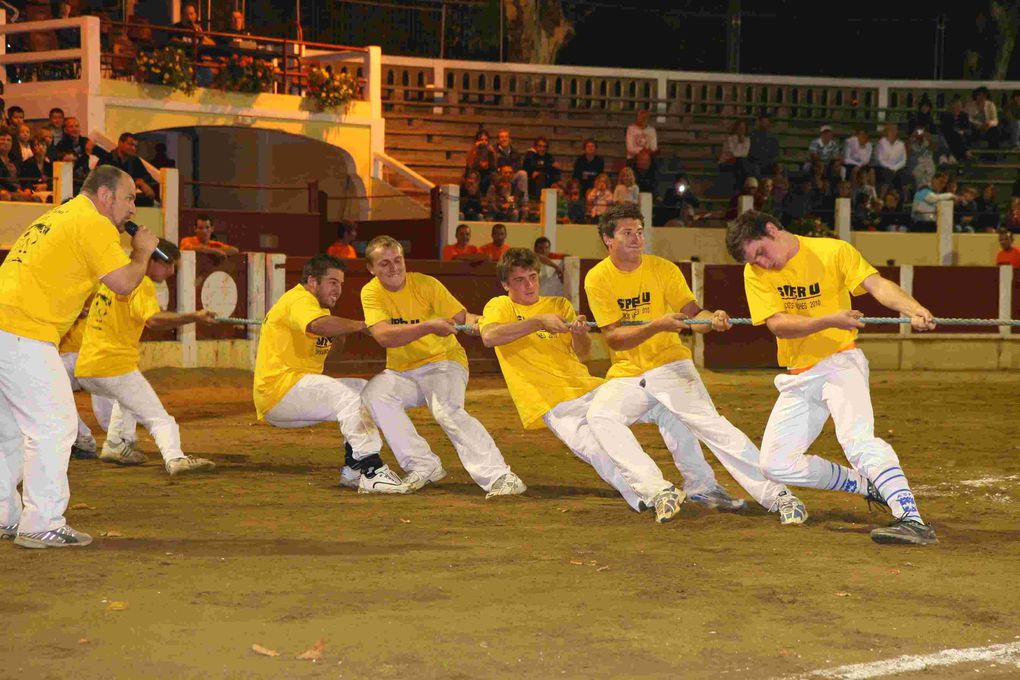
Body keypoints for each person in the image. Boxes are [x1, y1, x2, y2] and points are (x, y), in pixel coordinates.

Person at [481, 248, 749, 522]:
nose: (529, 285)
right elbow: (490, 337)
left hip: (591, 388)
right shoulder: (499, 307)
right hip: (553, 404)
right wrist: (537, 322)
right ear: (505, 285)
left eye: (533, 277)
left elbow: (582, 353)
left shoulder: (559, 305)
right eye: (519, 280)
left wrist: (579, 334)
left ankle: (701, 485)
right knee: (599, 452)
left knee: (668, 407)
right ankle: (655, 493)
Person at [726, 210, 939, 545]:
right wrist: (829, 319)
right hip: (798, 375)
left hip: (840, 362)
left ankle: (910, 518)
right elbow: (777, 324)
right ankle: (866, 485)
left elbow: (877, 284)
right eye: (754, 261)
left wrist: (914, 309)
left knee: (857, 440)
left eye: (761, 253)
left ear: (772, 229)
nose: (762, 264)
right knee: (774, 463)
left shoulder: (832, 251)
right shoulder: (755, 273)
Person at [583, 203, 803, 525]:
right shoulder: (597, 278)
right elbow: (615, 339)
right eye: (627, 233)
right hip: (628, 372)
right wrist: (656, 325)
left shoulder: (663, 269)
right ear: (608, 239)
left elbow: (692, 315)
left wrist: (709, 320)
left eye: (640, 232)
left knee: (711, 428)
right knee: (599, 415)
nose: (636, 239)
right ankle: (659, 491)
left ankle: (778, 495)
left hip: (670, 366)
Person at [0, 165, 158, 548]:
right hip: (25, 331)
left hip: (8, 327)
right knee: (55, 426)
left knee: (11, 433)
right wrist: (142, 254)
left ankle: (6, 517)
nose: (133, 209)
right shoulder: (93, 222)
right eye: (129, 198)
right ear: (105, 196)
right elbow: (122, 284)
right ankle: (42, 522)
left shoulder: (59, 215)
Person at [360, 235, 526, 498]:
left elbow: (463, 318)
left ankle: (500, 475)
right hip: (403, 371)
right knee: (374, 394)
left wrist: (485, 325)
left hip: (444, 362)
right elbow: (383, 335)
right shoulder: (370, 292)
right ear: (371, 269)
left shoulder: (427, 284)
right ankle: (423, 465)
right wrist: (428, 326)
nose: (393, 268)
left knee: (446, 410)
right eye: (384, 264)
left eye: (397, 260)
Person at [254, 254, 406, 493]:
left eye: (341, 284)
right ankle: (372, 470)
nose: (338, 289)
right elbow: (317, 325)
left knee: (364, 390)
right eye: (333, 282)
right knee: (346, 396)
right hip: (281, 390)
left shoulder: (316, 307)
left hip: (292, 393)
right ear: (313, 281)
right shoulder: (300, 300)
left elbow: (328, 348)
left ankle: (354, 469)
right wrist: (361, 325)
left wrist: (341, 330)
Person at [75, 239, 217, 476]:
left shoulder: (115, 277)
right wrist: (194, 316)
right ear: (153, 260)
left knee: (128, 398)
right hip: (114, 365)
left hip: (88, 366)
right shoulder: (141, 282)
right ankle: (175, 458)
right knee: (160, 418)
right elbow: (154, 320)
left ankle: (115, 445)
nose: (171, 272)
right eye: (169, 265)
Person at [98, 132, 158, 207]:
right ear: (120, 143)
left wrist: (144, 185)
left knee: (150, 201)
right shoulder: (106, 159)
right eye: (131, 144)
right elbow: (102, 182)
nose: (133, 148)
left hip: (128, 198)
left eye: (135, 146)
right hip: (111, 199)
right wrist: (136, 182)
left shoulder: (135, 160)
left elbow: (147, 178)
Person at [493, 128, 529, 202]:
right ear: (498, 139)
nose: (504, 139)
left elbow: (518, 166)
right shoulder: (493, 151)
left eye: (506, 137)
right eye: (502, 137)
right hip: (499, 176)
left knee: (522, 174)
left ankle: (524, 202)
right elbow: (492, 166)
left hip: (512, 175)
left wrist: (510, 171)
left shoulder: (515, 152)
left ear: (509, 139)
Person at [875, 123, 907, 198]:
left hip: (897, 168)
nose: (893, 132)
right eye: (891, 130)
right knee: (889, 175)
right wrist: (891, 167)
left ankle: (901, 200)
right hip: (883, 168)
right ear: (887, 131)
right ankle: (882, 197)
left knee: (902, 176)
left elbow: (903, 160)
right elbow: (880, 159)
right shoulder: (882, 142)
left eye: (895, 130)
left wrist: (895, 168)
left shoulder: (901, 144)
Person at [718, 119, 752, 186]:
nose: (741, 130)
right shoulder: (730, 139)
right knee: (741, 165)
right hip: (726, 163)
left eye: (743, 128)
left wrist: (741, 142)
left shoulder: (747, 140)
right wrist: (739, 143)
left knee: (742, 165)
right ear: (736, 128)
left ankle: (741, 187)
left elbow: (745, 153)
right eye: (740, 128)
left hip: (739, 163)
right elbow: (733, 153)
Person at [748, 113, 779, 178]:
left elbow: (775, 153)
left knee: (780, 168)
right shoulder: (753, 135)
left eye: (766, 122)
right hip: (756, 162)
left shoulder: (773, 138)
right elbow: (752, 152)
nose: (764, 123)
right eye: (762, 121)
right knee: (755, 168)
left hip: (769, 162)